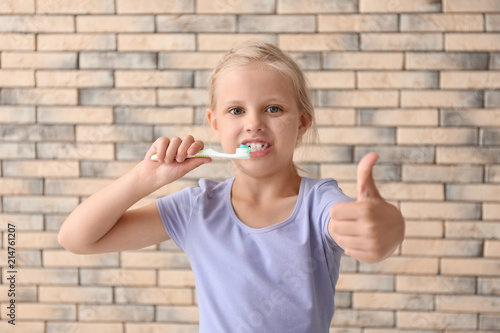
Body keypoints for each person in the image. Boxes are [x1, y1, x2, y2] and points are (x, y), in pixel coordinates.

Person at [58, 40, 405, 332]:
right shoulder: (196, 209)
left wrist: (388, 226)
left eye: (273, 108)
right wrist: (143, 179)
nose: (254, 123)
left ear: (301, 123)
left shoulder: (319, 205)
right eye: (236, 111)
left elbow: (369, 231)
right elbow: (76, 238)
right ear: (215, 124)